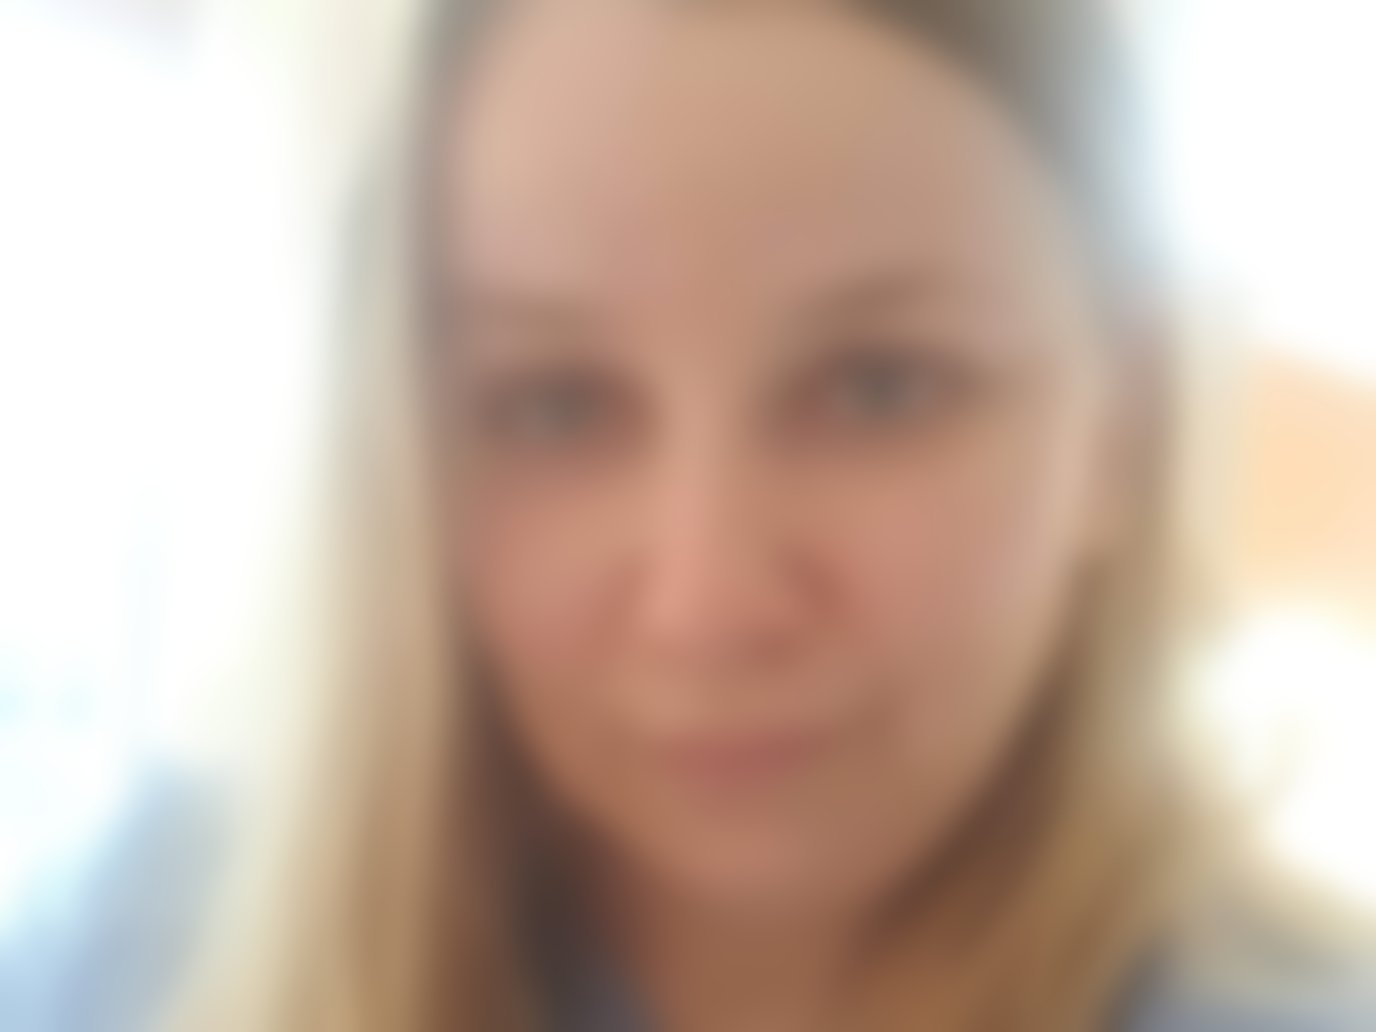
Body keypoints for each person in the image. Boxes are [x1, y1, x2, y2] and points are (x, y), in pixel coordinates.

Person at [152, 1, 1373, 1030]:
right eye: (553, 405)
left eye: (880, 387)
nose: (706, 608)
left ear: (1119, 430)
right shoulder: (160, 946)